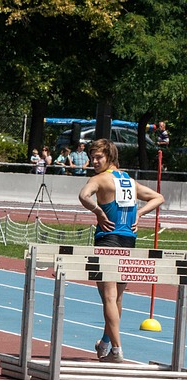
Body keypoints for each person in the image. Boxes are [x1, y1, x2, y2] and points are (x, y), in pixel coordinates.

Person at [77, 138, 164, 364]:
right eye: (92, 157)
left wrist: (98, 211)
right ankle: (105, 343)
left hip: (108, 241)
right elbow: (158, 197)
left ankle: (117, 349)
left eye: (98, 157)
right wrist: (140, 213)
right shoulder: (129, 181)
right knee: (117, 299)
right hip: (128, 241)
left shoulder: (99, 179)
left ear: (110, 157)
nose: (94, 161)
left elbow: (83, 196)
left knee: (108, 297)